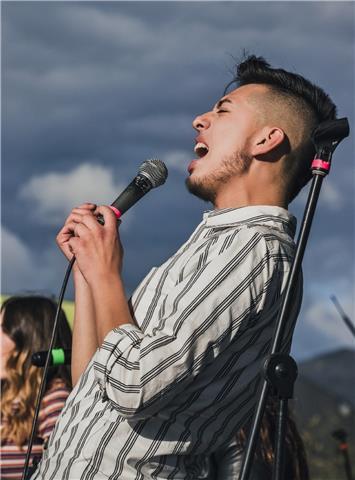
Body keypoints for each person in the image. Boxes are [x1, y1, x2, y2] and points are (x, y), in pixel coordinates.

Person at [32, 55, 337, 479]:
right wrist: (88, 270)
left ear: (267, 139)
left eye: (222, 111)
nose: (199, 120)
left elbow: (136, 385)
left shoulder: (257, 251)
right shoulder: (211, 248)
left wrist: (107, 273)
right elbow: (95, 381)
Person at [0, 295, 72, 480]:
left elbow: (66, 467)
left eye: (2, 329)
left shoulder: (53, 398)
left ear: (28, 342)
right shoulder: (5, 396)